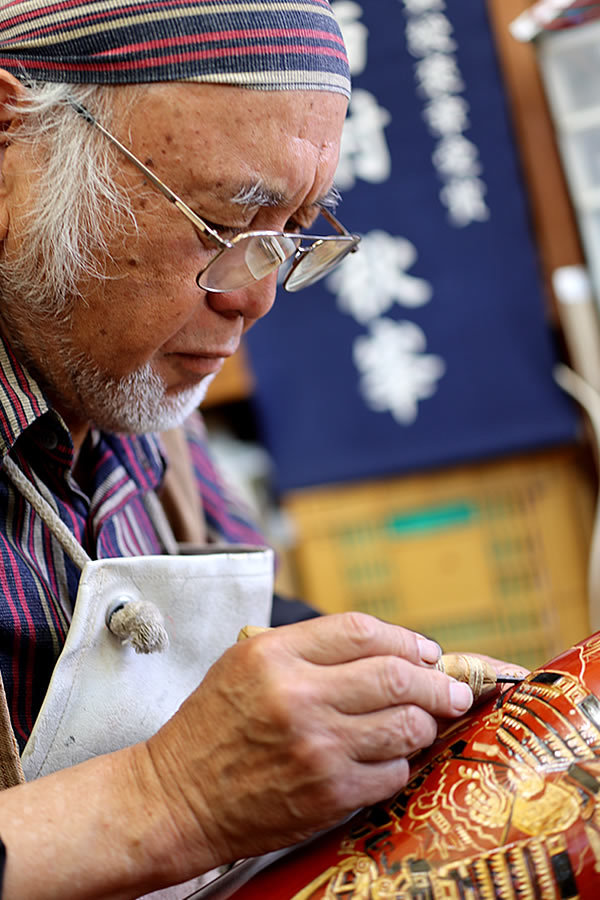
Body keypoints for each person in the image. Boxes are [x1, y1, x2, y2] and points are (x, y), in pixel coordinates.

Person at [0, 1, 521, 897]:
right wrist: (167, 798)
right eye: (219, 227)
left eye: (290, 237)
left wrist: (394, 696)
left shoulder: (134, 391)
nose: (255, 297)